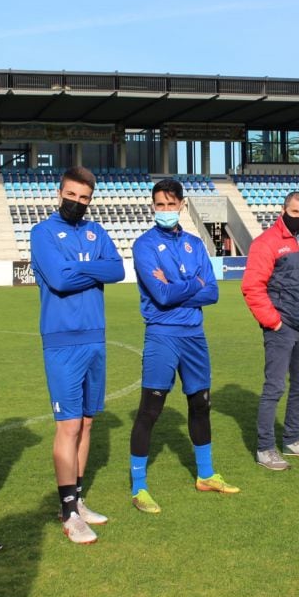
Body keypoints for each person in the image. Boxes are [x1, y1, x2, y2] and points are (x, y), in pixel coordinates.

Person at [128, 179, 239, 513]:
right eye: (159, 205)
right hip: (162, 334)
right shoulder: (144, 246)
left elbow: (214, 293)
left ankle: (205, 475)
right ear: (153, 207)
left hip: (194, 334)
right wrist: (194, 284)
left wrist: (177, 285)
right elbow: (160, 296)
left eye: (170, 204)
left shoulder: (194, 243)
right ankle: (139, 486)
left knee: (200, 403)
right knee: (151, 408)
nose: (165, 210)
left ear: (181, 205)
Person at [30, 166, 124, 544]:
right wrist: (91, 268)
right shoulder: (42, 232)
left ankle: (78, 500)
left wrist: (80, 267)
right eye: (71, 195)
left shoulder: (96, 230)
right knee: (67, 426)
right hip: (62, 339)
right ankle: (68, 512)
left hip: (95, 338)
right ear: (60, 192)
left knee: (86, 423)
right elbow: (59, 279)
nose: (77, 202)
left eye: (84, 198)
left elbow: (116, 269)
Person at [242, 191, 299, 471]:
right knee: (274, 387)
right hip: (282, 327)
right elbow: (252, 286)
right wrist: (274, 322)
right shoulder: (266, 243)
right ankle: (265, 448)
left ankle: (292, 439)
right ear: (283, 209)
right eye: (295, 211)